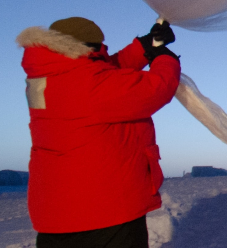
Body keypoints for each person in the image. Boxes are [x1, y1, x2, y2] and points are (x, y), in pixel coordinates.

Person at [17, 17, 180, 248]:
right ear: (87, 47)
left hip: (57, 215)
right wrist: (165, 59)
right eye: (99, 48)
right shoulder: (89, 85)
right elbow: (156, 88)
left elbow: (103, 71)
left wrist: (144, 46)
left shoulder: (48, 76)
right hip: (104, 212)